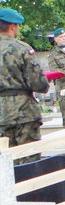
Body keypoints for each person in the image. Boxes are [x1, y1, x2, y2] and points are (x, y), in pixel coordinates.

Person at [0, 8, 50, 164]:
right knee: (30, 162)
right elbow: (38, 83)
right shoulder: (22, 48)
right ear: (12, 26)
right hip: (24, 113)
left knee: (5, 165)